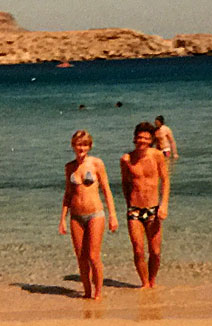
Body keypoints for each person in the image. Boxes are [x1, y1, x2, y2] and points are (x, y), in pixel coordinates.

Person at [59, 130, 118, 300]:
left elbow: (106, 190)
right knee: (81, 258)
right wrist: (62, 218)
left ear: (90, 146)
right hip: (76, 216)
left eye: (85, 144)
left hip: (95, 214)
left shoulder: (97, 164)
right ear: (73, 145)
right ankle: (87, 292)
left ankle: (98, 293)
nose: (81, 148)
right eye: (78, 144)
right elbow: (68, 194)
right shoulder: (69, 167)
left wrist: (112, 215)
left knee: (93, 256)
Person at [120, 122, 170, 288]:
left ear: (151, 140)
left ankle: (152, 280)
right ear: (134, 138)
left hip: (154, 209)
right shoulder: (126, 159)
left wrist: (164, 205)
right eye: (139, 137)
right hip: (134, 210)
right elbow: (125, 184)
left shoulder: (157, 155)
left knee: (155, 252)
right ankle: (144, 283)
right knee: (138, 250)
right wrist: (129, 205)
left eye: (146, 138)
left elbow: (166, 181)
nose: (142, 140)